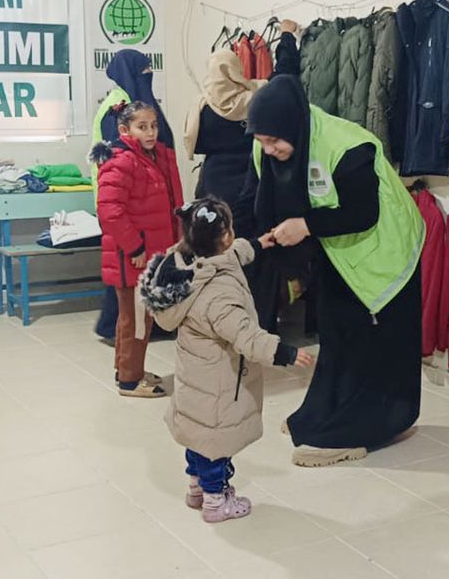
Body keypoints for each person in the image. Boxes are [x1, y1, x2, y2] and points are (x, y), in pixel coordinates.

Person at [248, 75, 426, 467]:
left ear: (293, 125)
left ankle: (361, 430)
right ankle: (322, 413)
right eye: (262, 141)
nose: (269, 149)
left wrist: (305, 226)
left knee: (372, 343)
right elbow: (261, 199)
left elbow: (363, 213)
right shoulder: (270, 145)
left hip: (384, 252)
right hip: (339, 251)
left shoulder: (347, 146)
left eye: (274, 141)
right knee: (335, 330)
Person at [139, 196, 315, 522]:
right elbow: (245, 335)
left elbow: (233, 255)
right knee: (216, 446)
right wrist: (284, 352)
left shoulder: (190, 265)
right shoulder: (218, 294)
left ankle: (196, 488)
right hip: (219, 385)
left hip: (196, 379)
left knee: (198, 435)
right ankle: (215, 502)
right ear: (225, 236)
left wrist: (259, 244)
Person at [92, 101, 184, 398]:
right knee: (137, 321)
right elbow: (110, 211)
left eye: (153, 126)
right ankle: (130, 381)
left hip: (149, 254)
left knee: (132, 318)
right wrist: (135, 247)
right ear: (124, 130)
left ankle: (126, 370)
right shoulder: (122, 160)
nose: (151, 132)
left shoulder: (151, 157)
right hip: (134, 257)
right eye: (142, 127)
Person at [184, 21, 301, 239]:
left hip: (211, 185)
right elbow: (285, 75)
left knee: (216, 242)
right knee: (250, 243)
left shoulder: (199, 108)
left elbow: (194, 143)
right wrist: (286, 36)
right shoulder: (256, 99)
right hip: (249, 184)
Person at [92, 49, 174, 343]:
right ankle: (119, 334)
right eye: (144, 70)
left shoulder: (133, 102)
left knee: (138, 276)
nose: (149, 75)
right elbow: (120, 161)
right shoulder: (119, 107)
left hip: (143, 203)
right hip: (127, 205)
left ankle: (133, 330)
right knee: (128, 276)